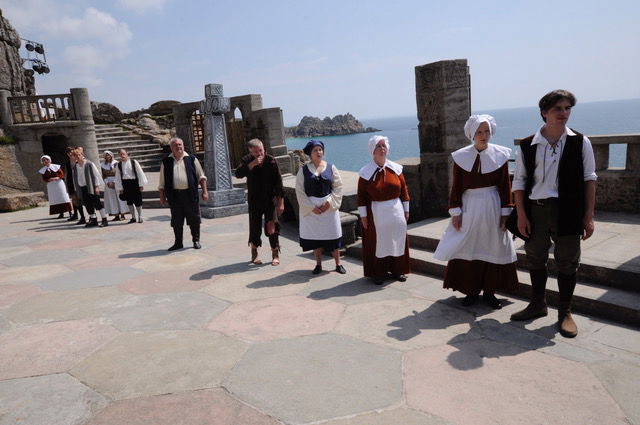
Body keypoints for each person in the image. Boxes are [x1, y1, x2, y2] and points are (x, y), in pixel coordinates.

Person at [510, 89, 597, 338]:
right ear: (544, 113)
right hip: (536, 210)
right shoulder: (528, 145)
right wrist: (522, 215)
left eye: (567, 108)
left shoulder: (580, 142)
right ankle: (538, 304)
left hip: (567, 210)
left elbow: (589, 179)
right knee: (535, 257)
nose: (564, 113)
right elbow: (520, 181)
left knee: (568, 261)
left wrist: (588, 215)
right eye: (558, 108)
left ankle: (565, 312)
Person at [433, 115, 518, 309]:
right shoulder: (461, 157)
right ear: (472, 134)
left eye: (486, 131)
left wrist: (506, 213)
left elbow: (506, 186)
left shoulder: (500, 156)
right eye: (479, 132)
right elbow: (456, 187)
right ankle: (471, 291)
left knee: (492, 247)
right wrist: (456, 212)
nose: (483, 135)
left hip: (492, 207)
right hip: (470, 207)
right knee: (469, 247)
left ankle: (490, 292)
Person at [357, 135, 410, 285]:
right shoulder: (365, 173)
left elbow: (404, 190)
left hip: (396, 210)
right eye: (378, 146)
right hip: (377, 212)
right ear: (372, 151)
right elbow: (361, 196)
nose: (382, 149)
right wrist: (363, 217)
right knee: (379, 243)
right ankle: (378, 273)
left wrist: (406, 209)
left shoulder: (396, 169)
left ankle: (398, 270)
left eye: (383, 146)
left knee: (397, 240)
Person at [295, 140, 346, 274]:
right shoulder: (303, 170)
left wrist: (328, 202)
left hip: (329, 208)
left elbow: (338, 187)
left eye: (320, 149)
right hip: (311, 209)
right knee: (315, 238)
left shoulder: (331, 167)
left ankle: (338, 263)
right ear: (310, 154)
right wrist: (312, 207)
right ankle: (318, 265)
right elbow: (299, 191)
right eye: (315, 150)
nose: (318, 152)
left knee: (333, 236)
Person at [235, 138, 284, 266]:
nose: (260, 154)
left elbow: (279, 182)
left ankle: (275, 252)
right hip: (254, 200)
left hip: (270, 199)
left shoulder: (271, 161)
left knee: (272, 226)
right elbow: (238, 174)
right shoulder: (246, 160)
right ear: (251, 152)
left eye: (261, 150)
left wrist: (281, 202)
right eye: (256, 152)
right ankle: (254, 253)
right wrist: (252, 164)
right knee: (255, 227)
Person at [159, 137, 208, 250]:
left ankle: (196, 240)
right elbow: (162, 181)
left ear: (183, 145)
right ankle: (178, 243)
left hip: (190, 194)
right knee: (176, 220)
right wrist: (162, 196)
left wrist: (205, 191)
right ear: (171, 147)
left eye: (180, 144)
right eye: (175, 145)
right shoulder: (166, 161)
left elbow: (201, 177)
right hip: (174, 195)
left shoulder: (191, 159)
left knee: (194, 219)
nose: (178, 147)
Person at [71, 147, 108, 228]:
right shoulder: (75, 167)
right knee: (88, 205)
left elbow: (96, 175)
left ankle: (104, 220)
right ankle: (93, 220)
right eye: (76, 156)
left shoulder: (89, 164)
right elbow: (75, 179)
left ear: (82, 155)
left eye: (79, 155)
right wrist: (76, 189)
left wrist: (97, 187)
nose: (78, 157)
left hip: (91, 187)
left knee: (97, 204)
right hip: (82, 188)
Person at [115, 148, 148, 224]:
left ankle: (140, 217)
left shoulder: (133, 162)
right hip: (125, 184)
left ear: (127, 153)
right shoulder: (119, 165)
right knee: (129, 201)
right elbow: (118, 176)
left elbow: (140, 173)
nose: (122, 156)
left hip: (134, 183)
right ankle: (133, 217)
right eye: (120, 154)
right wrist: (120, 188)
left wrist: (141, 184)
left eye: (123, 154)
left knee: (138, 201)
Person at [101, 150, 129, 221]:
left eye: (108, 155)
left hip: (117, 182)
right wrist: (107, 183)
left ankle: (122, 214)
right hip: (108, 185)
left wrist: (114, 182)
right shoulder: (103, 165)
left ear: (111, 155)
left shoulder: (117, 163)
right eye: (106, 155)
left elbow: (118, 174)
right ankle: (116, 215)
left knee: (120, 198)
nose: (107, 157)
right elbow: (103, 175)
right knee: (112, 199)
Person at [63, 146, 86, 224]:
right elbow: (66, 175)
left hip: (80, 183)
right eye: (68, 152)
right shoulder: (67, 163)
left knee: (84, 200)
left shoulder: (79, 161)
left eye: (71, 152)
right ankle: (81, 216)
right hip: (71, 184)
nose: (70, 154)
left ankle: (91, 216)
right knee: (75, 200)